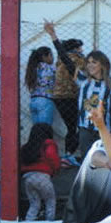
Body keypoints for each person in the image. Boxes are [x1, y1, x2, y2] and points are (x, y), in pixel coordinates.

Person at [44, 22, 86, 164]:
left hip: (58, 96)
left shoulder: (60, 59)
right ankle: (70, 154)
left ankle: (69, 154)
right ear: (75, 48)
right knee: (75, 126)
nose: (82, 49)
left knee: (70, 126)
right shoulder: (77, 58)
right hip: (71, 96)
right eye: (80, 47)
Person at [21, 123, 61, 221]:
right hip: (42, 177)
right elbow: (51, 156)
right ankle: (49, 222)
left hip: (28, 179)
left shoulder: (27, 146)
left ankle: (28, 222)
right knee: (50, 201)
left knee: (34, 204)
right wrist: (56, 168)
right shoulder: (48, 143)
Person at [25, 46, 57, 125]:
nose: (53, 58)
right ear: (44, 57)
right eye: (51, 55)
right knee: (45, 129)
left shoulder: (33, 67)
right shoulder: (50, 68)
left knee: (37, 130)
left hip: (33, 100)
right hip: (45, 100)